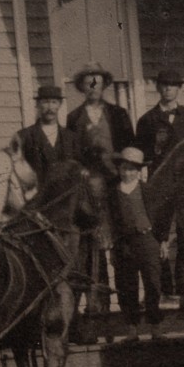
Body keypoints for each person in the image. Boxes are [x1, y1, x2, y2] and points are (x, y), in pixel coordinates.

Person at [133, 67, 184, 308]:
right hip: (159, 190)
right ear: (158, 88)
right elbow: (140, 156)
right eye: (164, 85)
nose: (168, 89)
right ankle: (165, 290)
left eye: (173, 85)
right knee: (159, 240)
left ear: (179, 89)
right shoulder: (147, 121)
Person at [65, 62, 132, 340]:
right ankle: (96, 311)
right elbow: (70, 155)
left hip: (115, 190)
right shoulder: (74, 117)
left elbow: (130, 149)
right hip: (88, 195)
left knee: (122, 250)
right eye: (88, 82)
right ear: (82, 87)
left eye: (99, 82)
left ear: (105, 85)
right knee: (92, 252)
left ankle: (129, 317)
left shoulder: (118, 114)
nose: (94, 87)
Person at [108, 146, 166, 342]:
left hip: (147, 241)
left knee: (153, 283)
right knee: (126, 287)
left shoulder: (148, 190)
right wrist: (113, 246)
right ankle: (132, 329)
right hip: (124, 244)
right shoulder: (112, 193)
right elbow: (108, 221)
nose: (127, 173)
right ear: (119, 169)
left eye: (132, 169)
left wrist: (163, 240)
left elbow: (161, 217)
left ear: (139, 171)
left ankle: (155, 327)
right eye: (124, 168)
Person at [9, 84, 78, 186]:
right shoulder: (24, 136)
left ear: (60, 104)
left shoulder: (70, 137)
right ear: (37, 105)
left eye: (54, 102)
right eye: (45, 102)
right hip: (37, 197)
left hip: (65, 196)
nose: (50, 107)